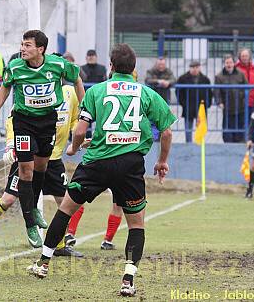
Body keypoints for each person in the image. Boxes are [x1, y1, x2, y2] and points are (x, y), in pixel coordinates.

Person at [29, 43, 177, 297]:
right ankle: (128, 279)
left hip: (97, 163)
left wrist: (75, 148)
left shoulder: (96, 90)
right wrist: (162, 161)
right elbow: (166, 132)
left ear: (110, 66)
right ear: (134, 69)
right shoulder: (146, 93)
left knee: (66, 208)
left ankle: (43, 263)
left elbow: (80, 129)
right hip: (130, 165)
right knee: (136, 223)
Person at [0, 84, 84, 259]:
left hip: (54, 159)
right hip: (29, 157)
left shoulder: (70, 93)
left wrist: (77, 135)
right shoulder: (33, 89)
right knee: (8, 199)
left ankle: (60, 245)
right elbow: (12, 119)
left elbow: (74, 119)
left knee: (66, 203)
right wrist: (11, 144)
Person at [0, 30, 84, 248]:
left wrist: (84, 105)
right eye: (22, 44)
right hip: (24, 122)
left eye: (28, 45)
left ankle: (33, 208)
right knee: (26, 170)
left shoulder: (57, 65)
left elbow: (77, 78)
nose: (23, 48)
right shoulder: (15, 67)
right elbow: (5, 85)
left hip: (48, 121)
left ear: (40, 49)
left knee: (41, 167)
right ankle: (30, 222)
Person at [215, 54, 248, 143]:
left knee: (240, 128)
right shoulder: (219, 76)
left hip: (240, 106)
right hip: (227, 107)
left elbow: (246, 87)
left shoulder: (241, 74)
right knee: (227, 130)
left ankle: (240, 143)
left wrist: (243, 98)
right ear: (224, 64)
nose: (229, 65)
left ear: (234, 63)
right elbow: (217, 91)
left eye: (230, 62)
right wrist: (219, 102)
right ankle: (228, 145)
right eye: (227, 63)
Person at [177, 61, 212, 143]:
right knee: (188, 128)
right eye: (193, 67)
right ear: (190, 68)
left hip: (201, 107)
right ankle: (188, 144)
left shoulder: (205, 79)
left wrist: (207, 104)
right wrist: (183, 103)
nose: (195, 69)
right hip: (188, 107)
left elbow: (209, 93)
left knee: (200, 128)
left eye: (196, 67)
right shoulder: (183, 78)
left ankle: (200, 143)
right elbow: (178, 92)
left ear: (199, 68)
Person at [145, 57, 176, 141]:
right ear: (156, 64)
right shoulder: (151, 71)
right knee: (152, 118)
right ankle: (153, 138)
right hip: (152, 100)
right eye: (159, 64)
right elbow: (148, 80)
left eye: (162, 64)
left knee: (164, 120)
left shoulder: (168, 71)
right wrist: (159, 82)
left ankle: (162, 137)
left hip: (164, 99)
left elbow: (173, 80)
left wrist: (168, 82)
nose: (161, 66)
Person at [235, 48, 254, 116]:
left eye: (246, 56)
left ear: (249, 57)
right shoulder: (235, 69)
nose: (244, 58)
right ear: (239, 57)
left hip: (252, 102)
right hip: (239, 103)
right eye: (243, 56)